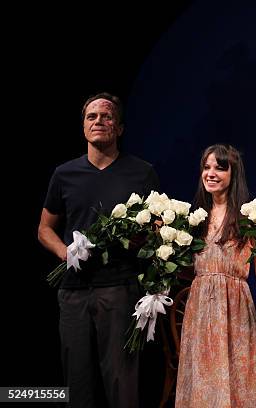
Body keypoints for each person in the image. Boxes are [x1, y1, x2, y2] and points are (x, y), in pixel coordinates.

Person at [38, 92, 160, 407]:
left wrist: (139, 239)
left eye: (106, 117)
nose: (98, 122)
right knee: (76, 382)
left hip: (120, 288)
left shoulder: (141, 172)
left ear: (119, 128)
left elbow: (157, 227)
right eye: (91, 117)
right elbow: (44, 229)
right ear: (83, 127)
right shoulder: (65, 174)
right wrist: (64, 252)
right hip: (73, 290)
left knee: (121, 381)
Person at [175, 144, 256, 408]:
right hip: (200, 312)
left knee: (240, 377)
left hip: (235, 310)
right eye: (206, 168)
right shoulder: (195, 219)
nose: (211, 173)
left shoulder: (248, 218)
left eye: (220, 167)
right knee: (203, 377)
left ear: (233, 173)